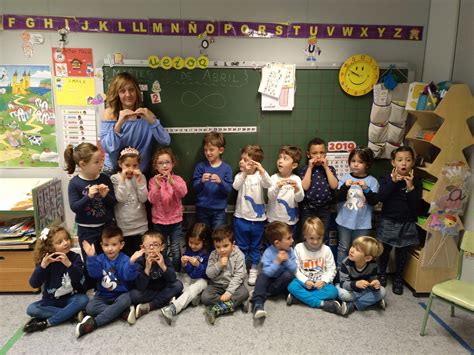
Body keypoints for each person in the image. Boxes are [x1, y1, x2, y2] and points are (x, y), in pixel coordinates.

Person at [76, 226, 142, 338]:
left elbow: (128, 276)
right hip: (102, 295)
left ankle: (94, 323)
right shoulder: (100, 258)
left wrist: (131, 263)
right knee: (90, 308)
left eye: (114, 245)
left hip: (120, 295)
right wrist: (91, 257)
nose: (110, 248)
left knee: (125, 300)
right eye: (106, 245)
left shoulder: (125, 259)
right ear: (101, 245)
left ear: (121, 245)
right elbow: (94, 274)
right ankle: (121, 313)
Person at [100, 72, 170, 175]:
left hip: (139, 173)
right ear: (117, 94)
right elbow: (107, 147)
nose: (128, 94)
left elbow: (165, 141)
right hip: (114, 172)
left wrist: (152, 121)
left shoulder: (146, 114)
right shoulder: (110, 113)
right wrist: (119, 124)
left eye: (131, 90)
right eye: (122, 91)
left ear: (137, 92)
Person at [64, 143, 116, 279]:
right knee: (91, 259)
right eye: (96, 162)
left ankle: (112, 284)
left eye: (101, 161)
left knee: (110, 257)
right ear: (83, 164)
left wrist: (105, 196)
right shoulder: (75, 183)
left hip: (107, 227)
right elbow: (75, 207)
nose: (100, 164)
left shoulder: (104, 178)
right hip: (87, 230)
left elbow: (113, 204)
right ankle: (94, 285)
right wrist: (89, 196)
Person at [23, 226, 89, 333]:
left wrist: (69, 264)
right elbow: (34, 284)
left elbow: (80, 279)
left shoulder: (75, 257)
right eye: (59, 242)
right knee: (31, 309)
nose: (65, 243)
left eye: (66, 239)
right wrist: (42, 267)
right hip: (51, 300)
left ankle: (47, 322)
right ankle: (72, 315)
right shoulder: (46, 261)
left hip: (71, 298)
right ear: (50, 247)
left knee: (84, 300)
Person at [377, 146, 422, 295]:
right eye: (400, 160)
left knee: (402, 253)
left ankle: (398, 279)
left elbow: (416, 205)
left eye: (408, 160)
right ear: (393, 162)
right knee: (385, 250)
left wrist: (410, 188)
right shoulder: (386, 178)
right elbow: (381, 197)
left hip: (407, 222)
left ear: (413, 163)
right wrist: (393, 182)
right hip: (389, 219)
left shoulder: (416, 181)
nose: (404, 163)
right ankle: (381, 274)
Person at [287, 217, 347, 316]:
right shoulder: (298, 248)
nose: (315, 242)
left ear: (323, 236)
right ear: (305, 236)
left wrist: (323, 281)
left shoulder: (326, 249)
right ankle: (321, 304)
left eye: (319, 238)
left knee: (333, 292)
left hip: (321, 284)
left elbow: (332, 269)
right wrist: (305, 280)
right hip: (304, 283)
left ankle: (299, 299)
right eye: (311, 238)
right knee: (291, 286)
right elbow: (296, 269)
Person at [232, 144, 272, 286]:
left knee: (255, 247)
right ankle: (241, 270)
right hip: (241, 218)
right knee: (241, 247)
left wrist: (261, 170)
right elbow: (235, 186)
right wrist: (244, 173)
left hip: (258, 220)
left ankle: (254, 269)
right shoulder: (239, 175)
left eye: (245, 160)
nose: (241, 162)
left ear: (255, 164)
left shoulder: (259, 176)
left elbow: (269, 184)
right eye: (241, 159)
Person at [335, 146, 379, 267]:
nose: (356, 164)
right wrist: (345, 187)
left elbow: (374, 201)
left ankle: (357, 272)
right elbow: (338, 197)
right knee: (343, 247)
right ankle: (341, 272)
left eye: (360, 162)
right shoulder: (344, 178)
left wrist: (366, 189)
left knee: (361, 249)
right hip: (344, 221)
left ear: (367, 164)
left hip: (362, 224)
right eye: (353, 161)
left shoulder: (372, 181)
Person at [160, 223, 210, 324]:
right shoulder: (189, 250)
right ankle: (193, 297)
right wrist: (185, 264)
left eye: (196, 244)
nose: (193, 246)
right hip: (189, 277)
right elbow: (189, 272)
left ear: (204, 242)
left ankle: (174, 308)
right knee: (175, 275)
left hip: (203, 279)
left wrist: (198, 265)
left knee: (196, 286)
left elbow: (207, 273)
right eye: (191, 242)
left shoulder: (208, 253)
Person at [148, 148, 188, 271]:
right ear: (155, 166)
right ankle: (164, 271)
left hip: (175, 221)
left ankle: (176, 271)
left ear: (172, 164)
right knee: (162, 248)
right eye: (160, 163)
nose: (164, 165)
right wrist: (157, 187)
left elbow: (183, 193)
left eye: (167, 162)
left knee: (176, 248)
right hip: (159, 222)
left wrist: (173, 183)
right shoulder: (153, 181)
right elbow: (151, 200)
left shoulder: (178, 179)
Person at [130, 230, 183, 321]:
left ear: (162, 247)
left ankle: (150, 305)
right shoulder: (140, 261)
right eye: (148, 245)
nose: (152, 248)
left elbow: (172, 279)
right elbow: (140, 287)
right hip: (148, 291)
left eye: (155, 245)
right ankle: (166, 299)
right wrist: (147, 269)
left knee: (178, 285)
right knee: (133, 295)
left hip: (163, 287)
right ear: (142, 248)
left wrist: (163, 266)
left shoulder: (164, 258)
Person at [201, 225, 249, 325]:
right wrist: (219, 265)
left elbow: (239, 275)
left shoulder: (239, 255)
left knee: (244, 293)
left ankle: (215, 309)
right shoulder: (213, 255)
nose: (222, 250)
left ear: (233, 244)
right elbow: (209, 274)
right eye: (218, 247)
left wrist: (229, 292)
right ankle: (237, 303)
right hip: (216, 284)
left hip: (234, 284)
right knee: (205, 297)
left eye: (225, 246)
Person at [251, 221, 297, 319]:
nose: (292, 240)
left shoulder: (290, 251)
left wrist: (286, 261)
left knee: (289, 275)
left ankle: (262, 292)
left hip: (280, 283)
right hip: (269, 280)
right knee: (261, 277)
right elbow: (267, 272)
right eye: (289, 238)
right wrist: (277, 262)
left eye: (291, 237)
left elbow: (294, 269)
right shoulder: (268, 252)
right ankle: (258, 304)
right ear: (277, 243)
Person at [111, 147, 148, 257]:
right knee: (127, 258)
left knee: (141, 258)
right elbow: (120, 199)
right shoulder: (115, 178)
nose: (131, 169)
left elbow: (143, 199)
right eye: (127, 165)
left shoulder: (141, 177)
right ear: (120, 164)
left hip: (141, 226)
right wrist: (123, 179)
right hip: (124, 227)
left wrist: (140, 182)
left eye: (135, 166)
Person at [298, 137, 338, 238]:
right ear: (308, 155)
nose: (318, 156)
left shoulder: (330, 169)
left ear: (325, 154)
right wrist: (310, 168)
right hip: (308, 209)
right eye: (314, 153)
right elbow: (305, 187)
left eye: (322, 153)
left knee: (321, 236)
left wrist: (326, 168)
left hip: (325, 209)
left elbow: (334, 185)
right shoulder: (305, 169)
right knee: (306, 235)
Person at [193, 131, 233, 231]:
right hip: (202, 209)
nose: (208, 153)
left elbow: (228, 190)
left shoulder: (226, 168)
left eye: (211, 150)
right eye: (205, 150)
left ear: (221, 150)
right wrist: (201, 181)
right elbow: (195, 188)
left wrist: (220, 182)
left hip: (219, 210)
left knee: (218, 235)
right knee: (203, 235)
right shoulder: (200, 167)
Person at [337, 236, 386, 314]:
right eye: (353, 246)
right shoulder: (346, 263)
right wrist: (356, 284)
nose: (352, 250)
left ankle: (353, 305)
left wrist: (375, 283)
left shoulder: (373, 265)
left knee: (382, 291)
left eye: (357, 250)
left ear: (367, 258)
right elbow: (343, 283)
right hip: (349, 288)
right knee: (343, 294)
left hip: (363, 289)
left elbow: (372, 279)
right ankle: (370, 301)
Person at [267, 145, 304, 236]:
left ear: (294, 165)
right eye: (279, 157)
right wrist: (277, 186)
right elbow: (270, 196)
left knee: (288, 243)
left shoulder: (296, 179)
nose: (280, 160)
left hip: (290, 222)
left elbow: (300, 199)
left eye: (285, 159)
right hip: (274, 220)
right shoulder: (273, 178)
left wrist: (297, 189)